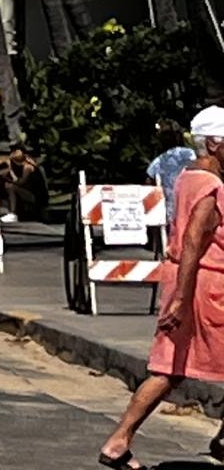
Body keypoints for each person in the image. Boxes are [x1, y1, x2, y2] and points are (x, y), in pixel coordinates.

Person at [99, 106, 224, 469]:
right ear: (214, 144)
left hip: (185, 283)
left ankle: (118, 441)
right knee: (171, 368)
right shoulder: (212, 186)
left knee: (168, 369)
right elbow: (192, 242)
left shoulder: (188, 177)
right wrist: (183, 300)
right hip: (205, 287)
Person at [147, 120, 198, 233]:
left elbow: (149, 184)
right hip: (194, 205)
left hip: (170, 212)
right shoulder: (191, 154)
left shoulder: (157, 162)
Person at [0, 143, 49, 223]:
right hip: (29, 192)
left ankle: (13, 213)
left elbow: (21, 182)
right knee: (7, 185)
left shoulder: (28, 166)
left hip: (36, 196)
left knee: (11, 187)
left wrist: (10, 172)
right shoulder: (22, 163)